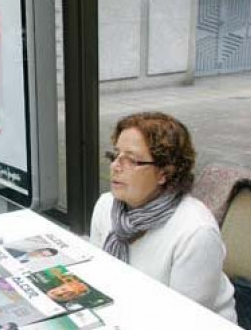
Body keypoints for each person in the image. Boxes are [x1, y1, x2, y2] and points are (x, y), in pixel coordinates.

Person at [89, 111, 237, 322]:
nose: (115, 166)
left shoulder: (196, 232)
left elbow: (186, 320)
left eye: (131, 160)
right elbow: (96, 275)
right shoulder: (106, 205)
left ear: (164, 173)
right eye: (115, 155)